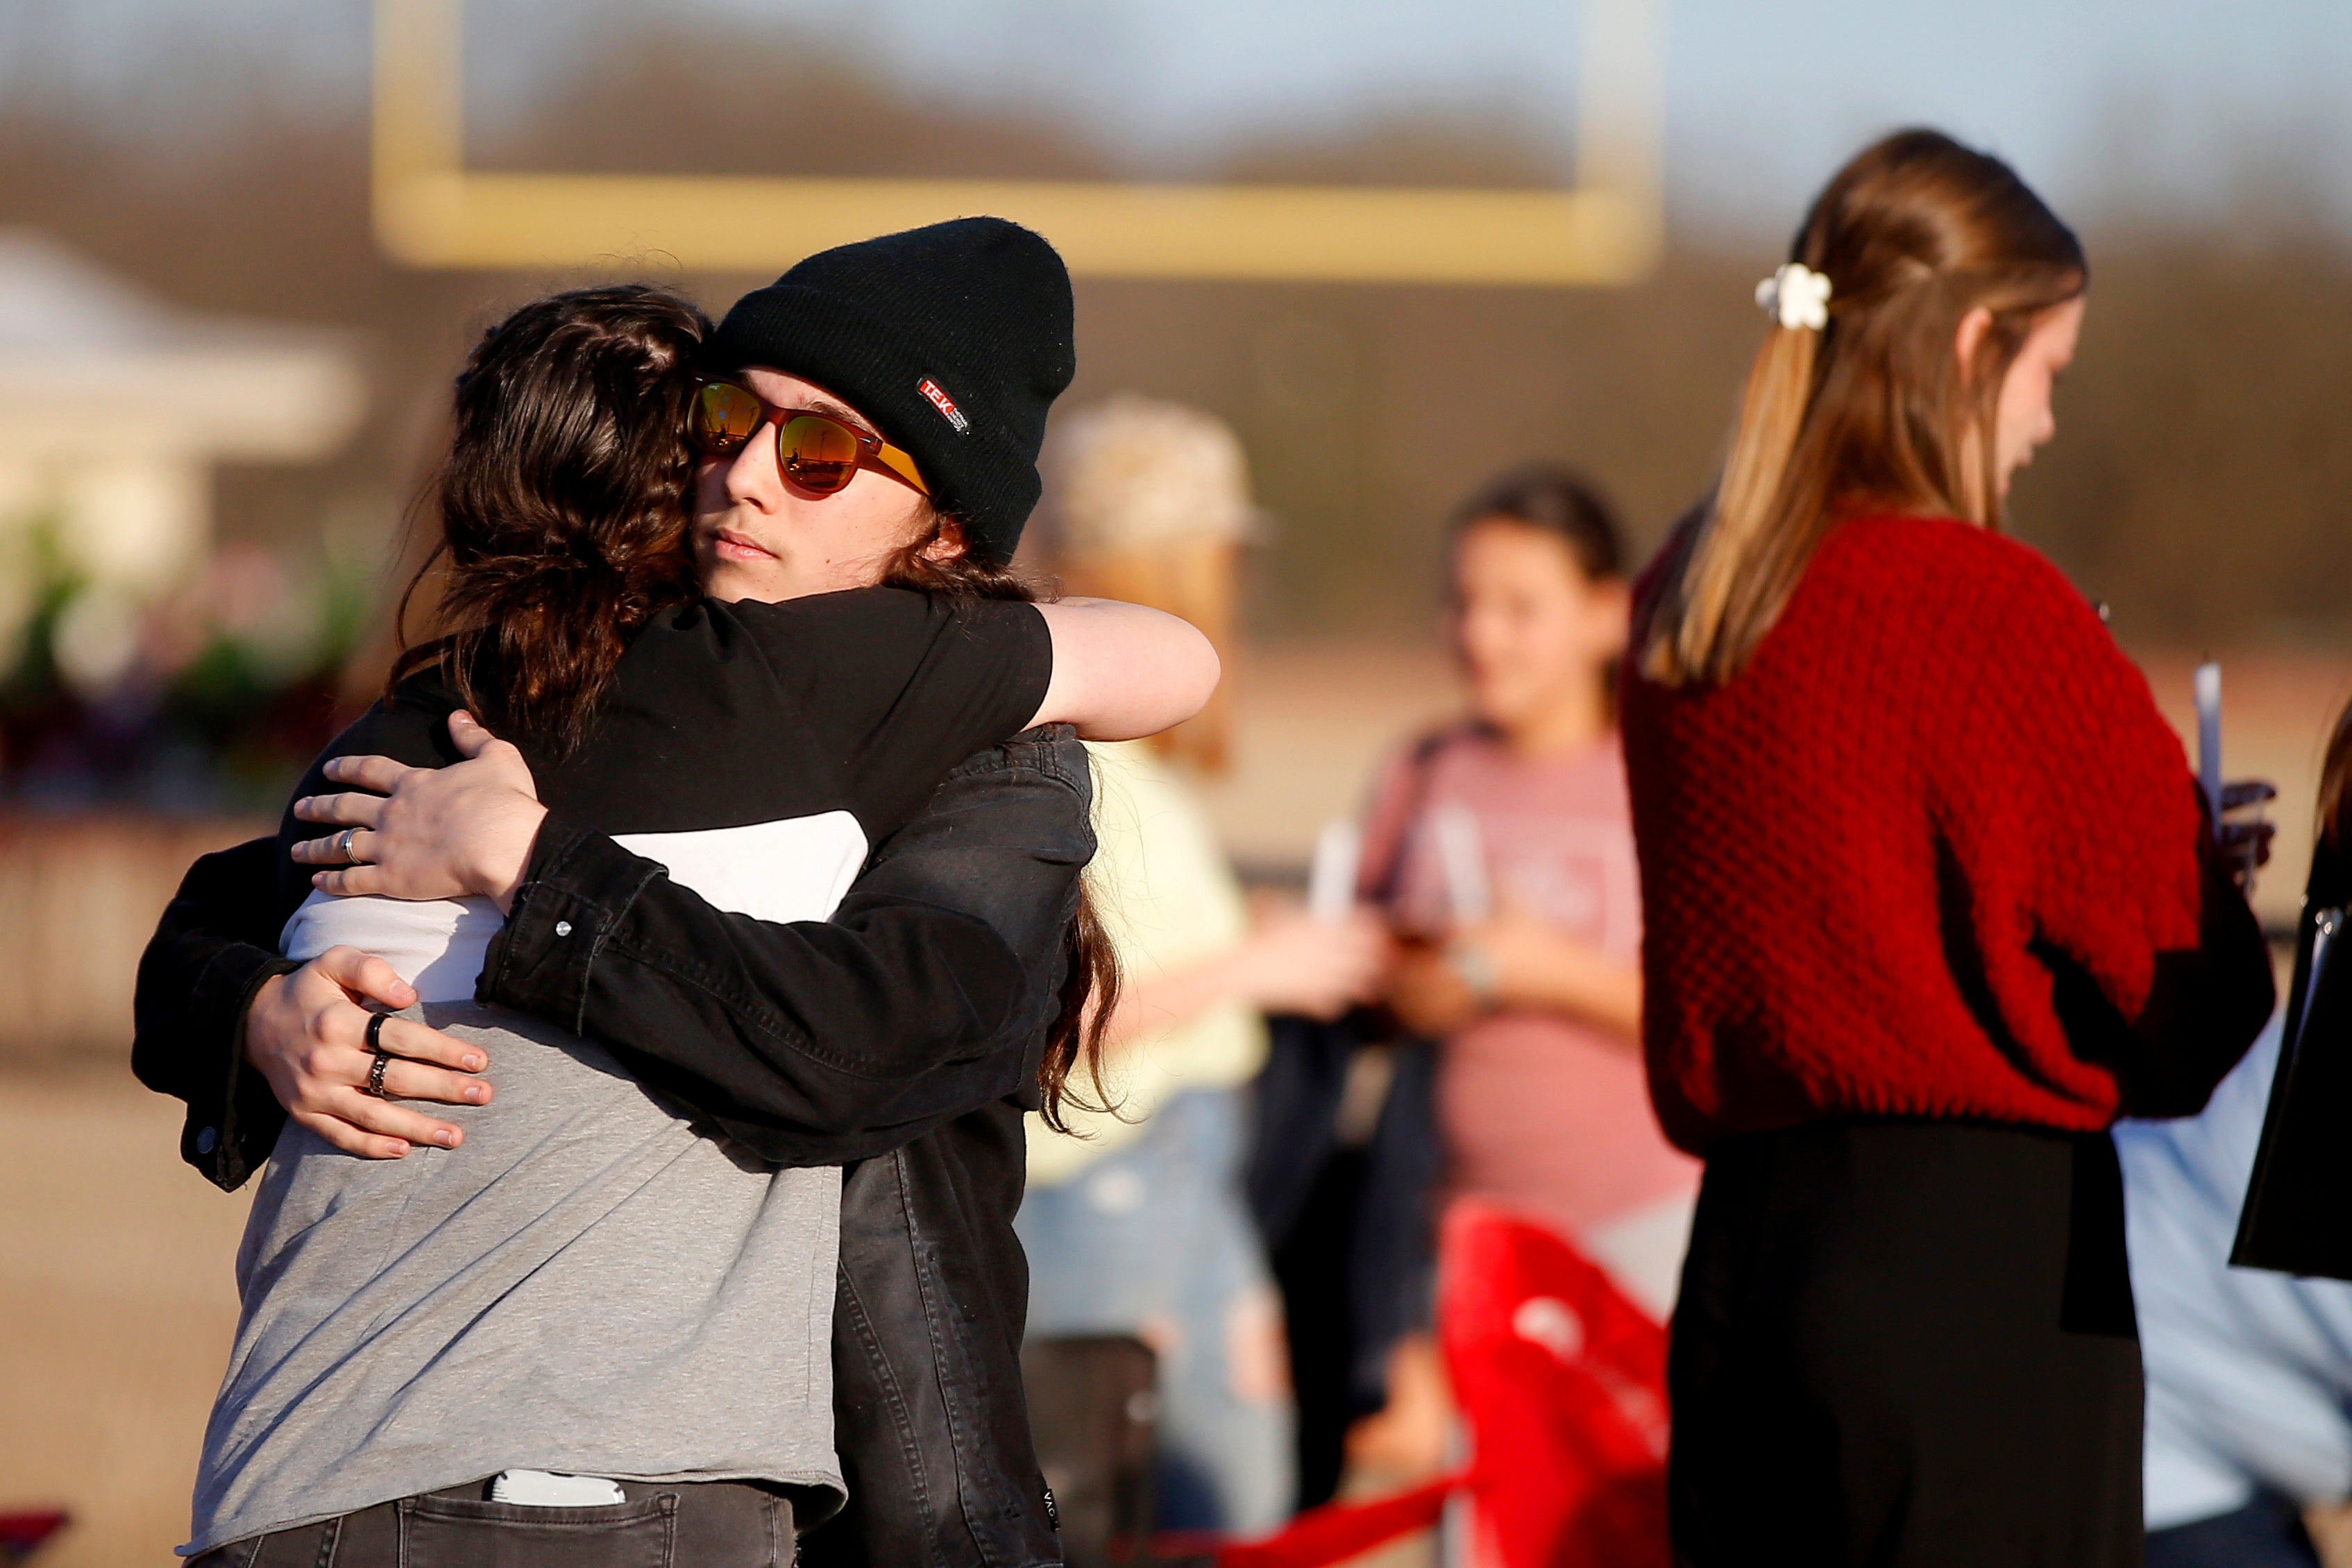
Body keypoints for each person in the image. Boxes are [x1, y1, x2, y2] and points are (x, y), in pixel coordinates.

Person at [137, 221, 1216, 1565]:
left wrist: (536, 878)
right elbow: (226, 903)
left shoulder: (967, 745)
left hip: (840, 1482)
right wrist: (255, 1005)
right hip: (531, 1477)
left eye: (820, 454)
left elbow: (870, 1040)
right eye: (724, 419)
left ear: (944, 526)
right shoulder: (524, 704)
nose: (745, 480)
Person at [1619, 129, 2274, 1565]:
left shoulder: (1687, 595)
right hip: (1978, 1283)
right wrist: (2190, 877)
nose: (2044, 424)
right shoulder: (1991, 604)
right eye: (2049, 373)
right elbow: (2197, 1012)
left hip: (1746, 1263)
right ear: (1976, 340)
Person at [1015, 395, 1389, 1542]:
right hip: (1117, 1196)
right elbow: (1056, 1027)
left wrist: (1242, 938)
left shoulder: (1102, 760)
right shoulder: (1086, 775)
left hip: (1160, 1194)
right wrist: (1254, 967)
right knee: (1177, 1527)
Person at [1344, 464, 1696, 1485]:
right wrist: (1401, 987)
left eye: (1517, 607)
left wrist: (1543, 972)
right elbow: (1370, 989)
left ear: (1602, 615)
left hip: (1643, 1234)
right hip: (1464, 1244)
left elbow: (1718, 1017)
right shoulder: (1425, 770)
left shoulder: (1660, 776)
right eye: (1463, 603)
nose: (1479, 633)